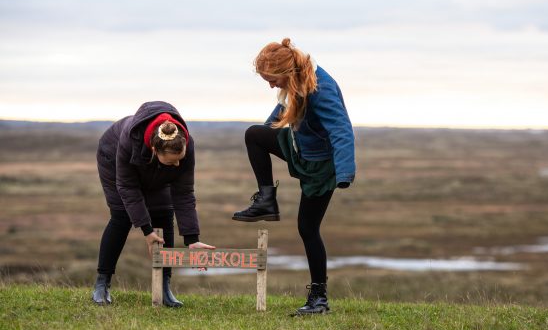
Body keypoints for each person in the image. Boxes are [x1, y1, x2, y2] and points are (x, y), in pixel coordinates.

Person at [232, 38, 355, 315]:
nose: (270, 85)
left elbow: (341, 129)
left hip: (321, 168)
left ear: (285, 71)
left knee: (307, 228)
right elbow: (283, 111)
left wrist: (344, 172)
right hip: (300, 149)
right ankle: (266, 201)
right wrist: (268, 134)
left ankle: (319, 299)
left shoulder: (320, 87)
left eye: (271, 79)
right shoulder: (295, 79)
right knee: (254, 135)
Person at [93, 101, 214, 307]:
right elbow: (128, 189)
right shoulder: (128, 141)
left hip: (152, 164)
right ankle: (102, 283)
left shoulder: (185, 145)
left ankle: (164, 287)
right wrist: (147, 231)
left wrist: (192, 239)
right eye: (171, 162)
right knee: (122, 216)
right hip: (112, 157)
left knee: (164, 213)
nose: (177, 165)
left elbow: (183, 193)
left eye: (180, 160)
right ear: (154, 150)